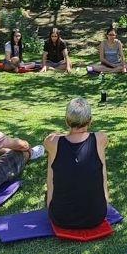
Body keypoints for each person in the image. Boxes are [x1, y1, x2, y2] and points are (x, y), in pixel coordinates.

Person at [45, 98, 109, 229]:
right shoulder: (101, 138)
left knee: (53, 162)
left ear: (66, 121)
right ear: (90, 120)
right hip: (96, 216)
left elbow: (50, 138)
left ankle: (50, 202)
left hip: (60, 217)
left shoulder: (52, 142)